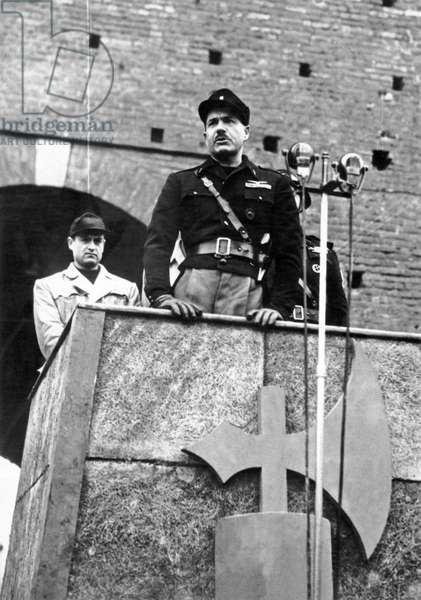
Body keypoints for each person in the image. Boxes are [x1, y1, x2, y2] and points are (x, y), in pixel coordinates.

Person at [143, 88, 302, 325]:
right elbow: (158, 242)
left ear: (246, 132)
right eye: (213, 122)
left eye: (229, 121)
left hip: (247, 292)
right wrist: (161, 295)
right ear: (205, 133)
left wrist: (280, 307)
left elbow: (290, 251)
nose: (220, 128)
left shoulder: (274, 184)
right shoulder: (182, 182)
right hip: (192, 287)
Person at [33, 212, 140, 359]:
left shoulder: (127, 289)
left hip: (115, 375)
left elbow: (134, 340)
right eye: (85, 240)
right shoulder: (48, 287)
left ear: (104, 245)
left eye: (97, 241)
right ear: (71, 243)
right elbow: (52, 343)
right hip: (68, 372)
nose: (92, 247)